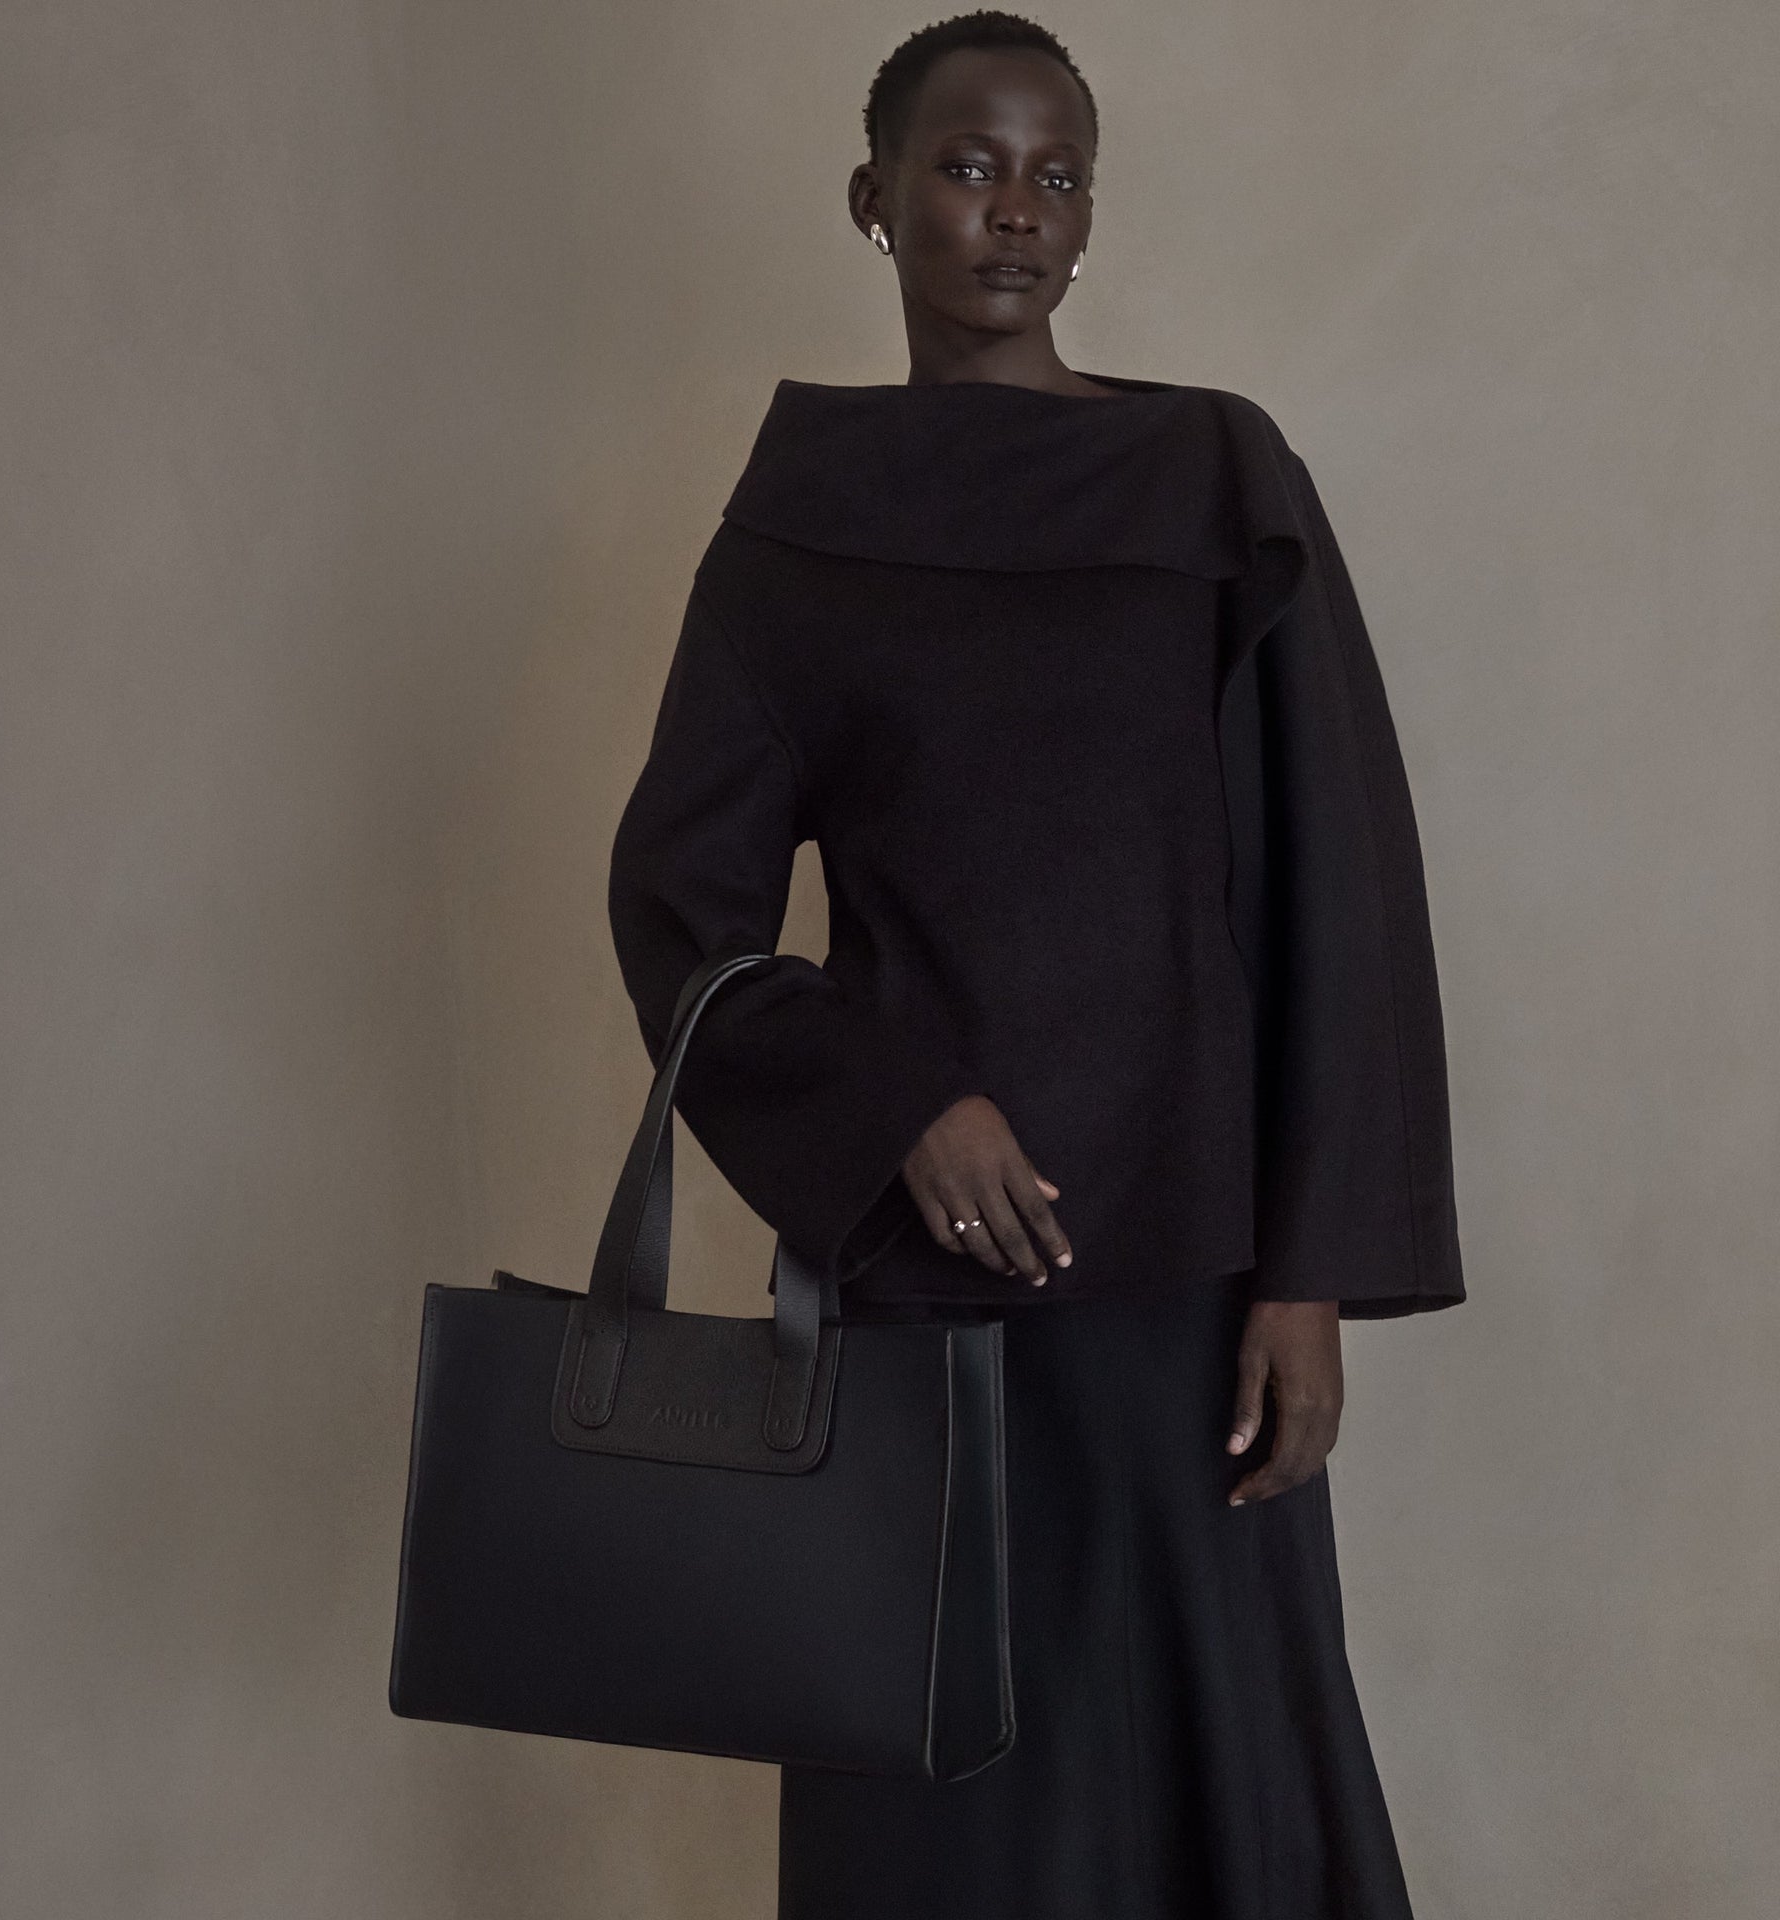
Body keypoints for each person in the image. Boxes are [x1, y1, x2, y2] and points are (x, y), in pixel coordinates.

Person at [604, 12, 1465, 1917]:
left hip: (1193, 1301)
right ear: (874, 197)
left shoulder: (1214, 480)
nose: (1017, 211)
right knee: (948, 1835)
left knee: (1223, 1805)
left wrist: (1311, 1273)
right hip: (921, 1310)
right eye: (969, 165)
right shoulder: (794, 538)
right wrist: (895, 1106)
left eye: (1057, 175)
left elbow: (1338, 891)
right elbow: (680, 912)